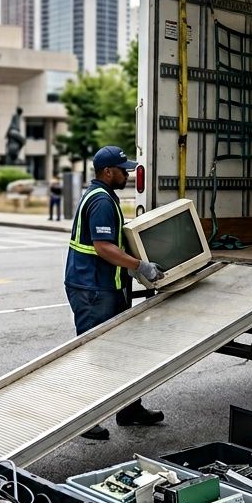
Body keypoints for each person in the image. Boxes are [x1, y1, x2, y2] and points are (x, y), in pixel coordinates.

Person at [64, 146, 167, 441]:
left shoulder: (104, 196)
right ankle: (84, 420)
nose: (129, 174)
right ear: (108, 172)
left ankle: (129, 409)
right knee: (95, 355)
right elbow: (103, 247)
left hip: (102, 285)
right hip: (92, 289)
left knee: (124, 351)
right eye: (124, 170)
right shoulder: (101, 202)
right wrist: (140, 266)